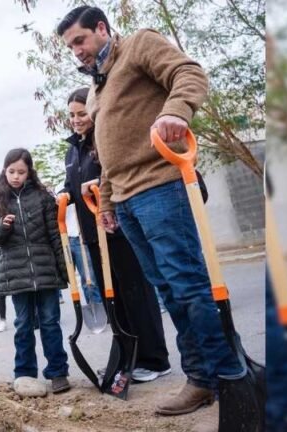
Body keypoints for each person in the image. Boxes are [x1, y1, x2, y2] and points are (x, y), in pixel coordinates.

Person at [58, 6, 246, 415]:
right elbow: (106, 154)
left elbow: (189, 73)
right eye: (70, 46)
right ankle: (202, 378)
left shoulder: (139, 45)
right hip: (125, 201)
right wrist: (106, 203)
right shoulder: (96, 90)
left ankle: (232, 376)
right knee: (169, 291)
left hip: (161, 187)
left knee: (188, 285)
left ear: (102, 28)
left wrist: (175, 112)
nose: (76, 51)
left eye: (80, 40)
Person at [60, 87, 171, 383]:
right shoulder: (73, 150)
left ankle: (155, 359)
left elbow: (118, 173)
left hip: (119, 229)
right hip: (93, 236)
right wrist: (62, 193)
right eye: (71, 115)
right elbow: (72, 186)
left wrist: (99, 184)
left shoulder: (105, 139)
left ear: (94, 112)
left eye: (81, 113)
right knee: (114, 301)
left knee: (137, 296)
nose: (76, 119)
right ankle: (126, 359)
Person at [0, 148, 71, 395]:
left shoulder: (43, 197)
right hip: (16, 272)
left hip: (46, 271)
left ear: (29, 172)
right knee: (23, 325)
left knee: (50, 323)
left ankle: (58, 372)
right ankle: (24, 373)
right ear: (5, 171)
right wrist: (2, 227)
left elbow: (55, 234)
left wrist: (64, 269)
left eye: (21, 172)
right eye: (11, 171)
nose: (16, 176)